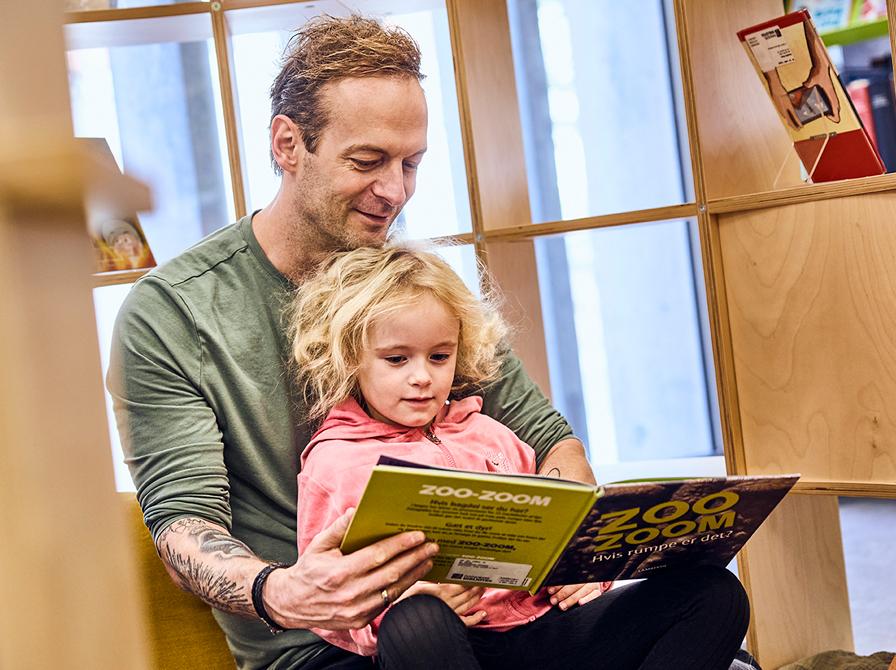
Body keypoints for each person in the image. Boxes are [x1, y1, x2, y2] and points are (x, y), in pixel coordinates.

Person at [108, 15, 593, 670]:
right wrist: (284, 590)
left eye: (411, 164)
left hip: (494, 624)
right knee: (419, 634)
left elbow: (549, 438)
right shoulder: (173, 315)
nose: (395, 191)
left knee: (704, 594)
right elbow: (184, 530)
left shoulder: (417, 287)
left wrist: (574, 548)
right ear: (288, 144)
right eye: (367, 162)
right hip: (321, 650)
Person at [287, 245, 750, 670]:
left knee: (714, 591)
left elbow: (554, 535)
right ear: (350, 358)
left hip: (545, 633)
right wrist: (397, 603)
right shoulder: (334, 462)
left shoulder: (491, 433)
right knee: (415, 620)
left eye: (439, 356)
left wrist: (584, 575)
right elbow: (327, 606)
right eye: (396, 359)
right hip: (452, 647)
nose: (422, 377)